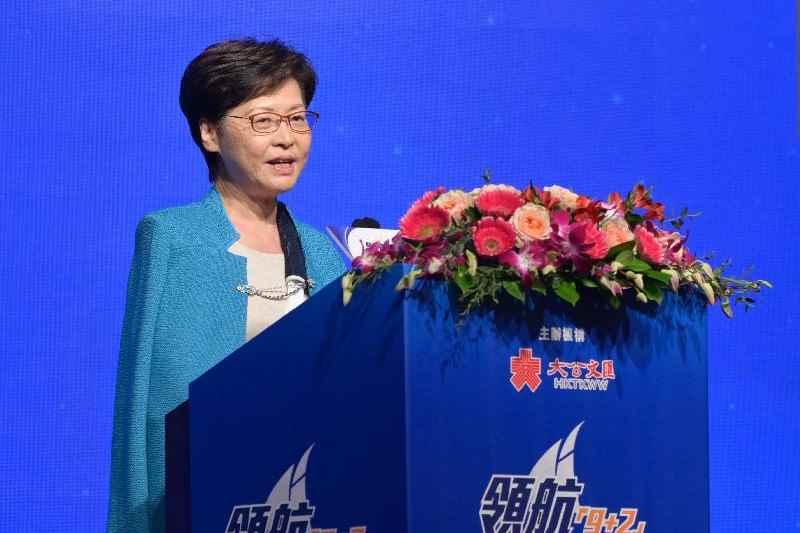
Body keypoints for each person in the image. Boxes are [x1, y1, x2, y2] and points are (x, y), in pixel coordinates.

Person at [106, 38, 346, 533]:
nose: (287, 139)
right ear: (210, 133)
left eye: (298, 119)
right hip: (208, 502)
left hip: (307, 499)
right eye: (263, 121)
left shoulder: (323, 254)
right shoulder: (174, 238)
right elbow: (148, 408)